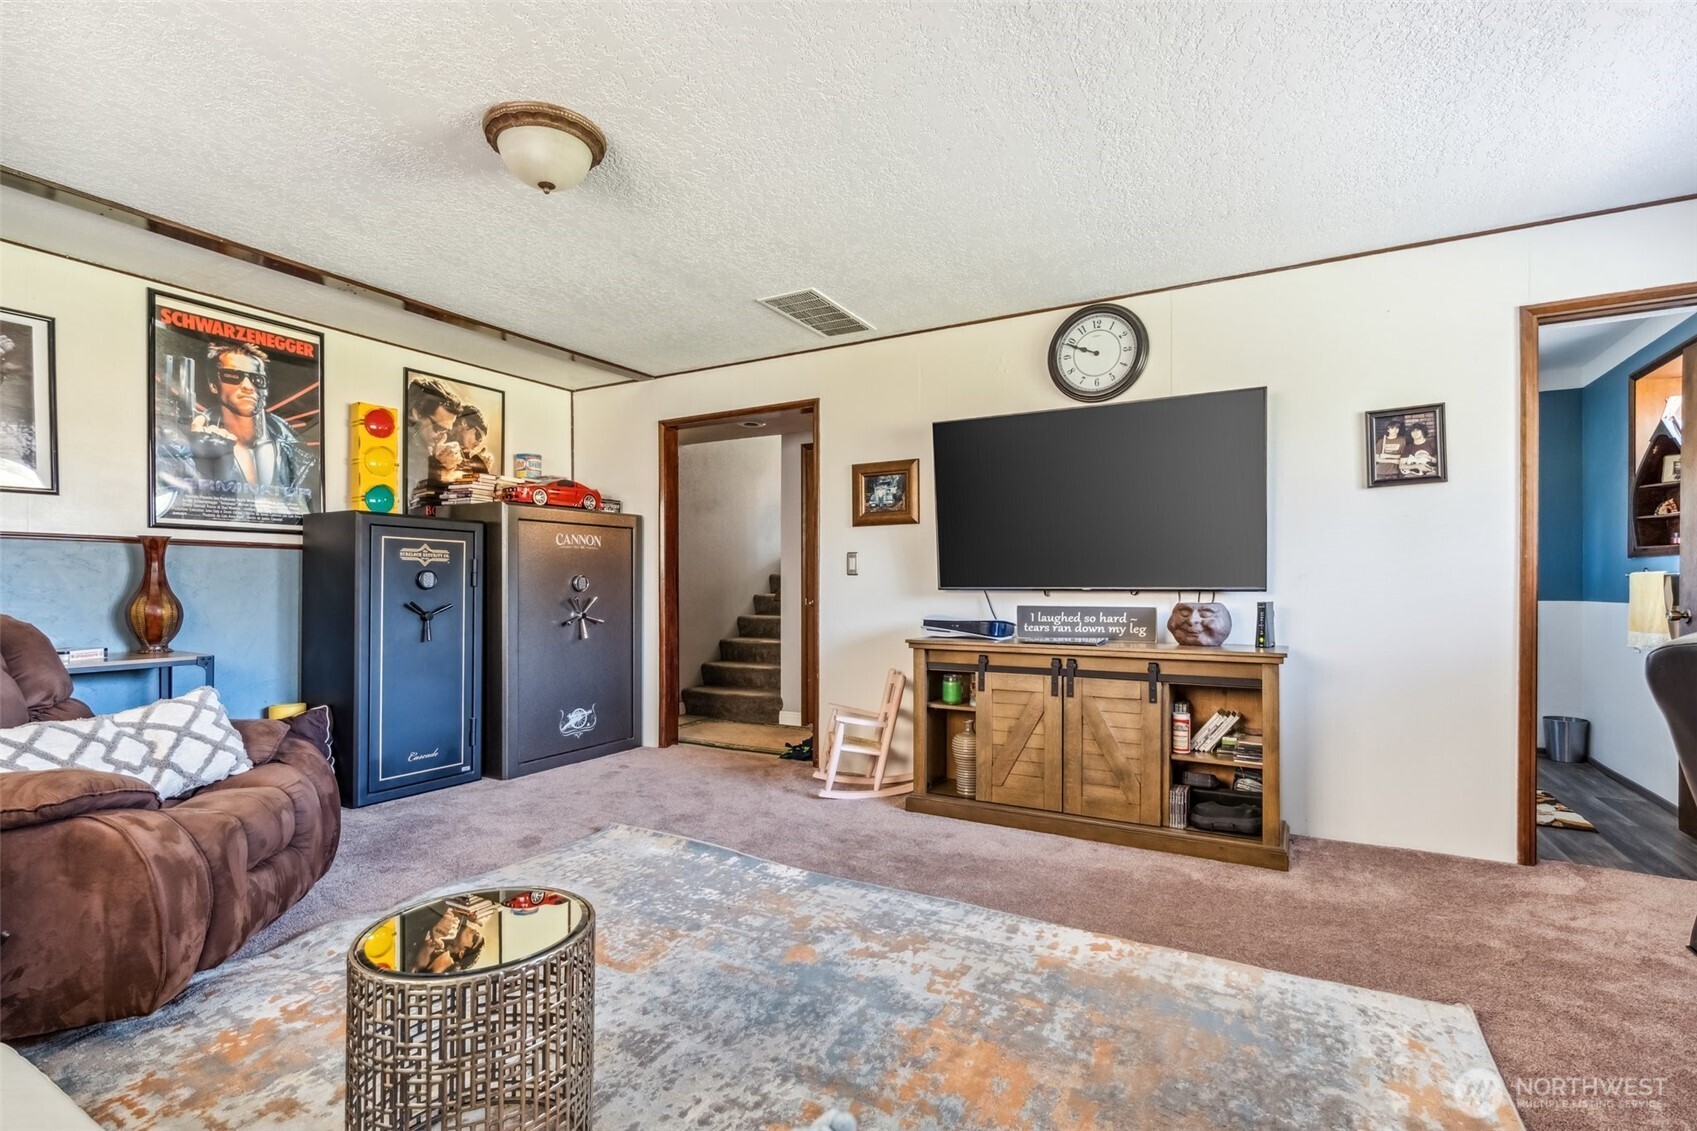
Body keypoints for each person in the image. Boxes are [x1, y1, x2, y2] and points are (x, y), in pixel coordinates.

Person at [173, 342, 314, 492]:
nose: (248, 386)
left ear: (265, 388)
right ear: (213, 385)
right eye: (233, 376)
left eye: (257, 378)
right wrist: (199, 462)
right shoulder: (188, 446)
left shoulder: (296, 451)